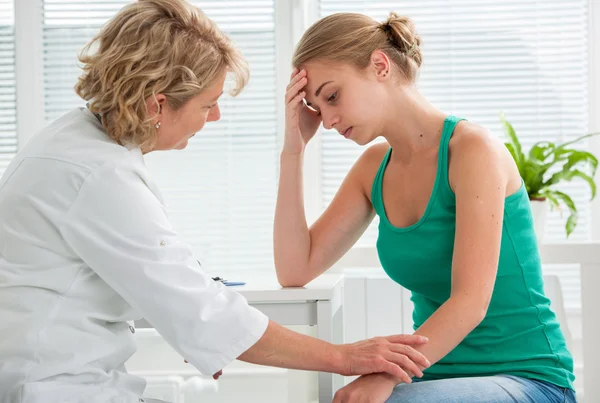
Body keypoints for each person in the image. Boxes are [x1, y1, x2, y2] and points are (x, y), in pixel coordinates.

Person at [0, 2, 433, 402]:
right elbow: (202, 313)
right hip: (59, 388)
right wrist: (345, 358)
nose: (215, 117)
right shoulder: (98, 176)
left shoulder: (74, 145)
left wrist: (200, 324)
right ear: (158, 104)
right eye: (209, 103)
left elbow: (161, 291)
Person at [274, 11, 577, 403]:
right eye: (317, 109)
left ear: (380, 66)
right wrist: (293, 149)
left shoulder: (471, 150)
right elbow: (295, 268)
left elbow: (471, 301)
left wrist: (386, 374)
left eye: (332, 96)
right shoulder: (373, 171)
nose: (328, 121)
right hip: (432, 380)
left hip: (529, 379)